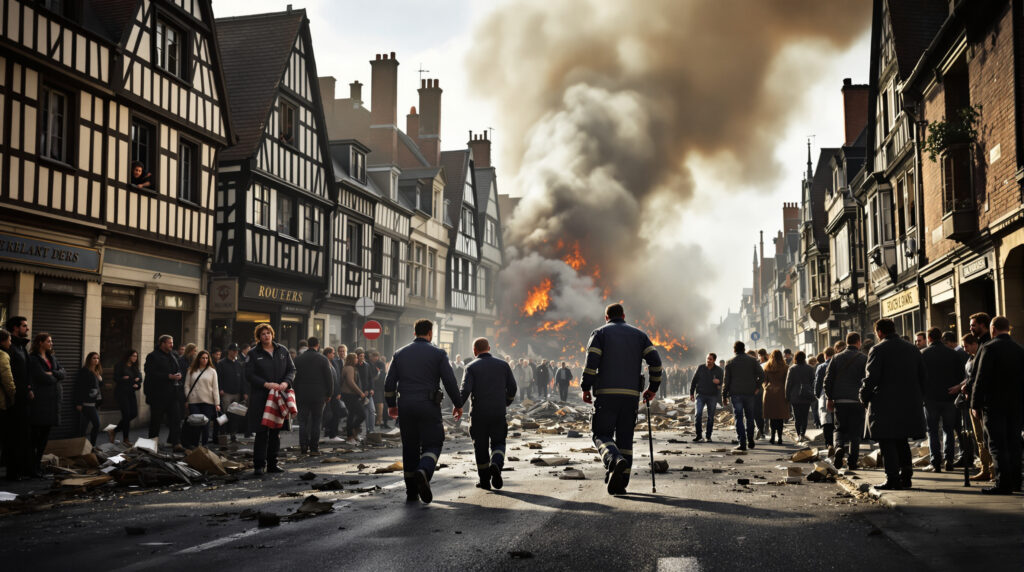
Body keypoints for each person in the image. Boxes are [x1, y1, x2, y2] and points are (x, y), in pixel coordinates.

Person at [581, 303, 662, 495]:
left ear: (606, 317)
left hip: (606, 395)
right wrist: (652, 388)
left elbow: (591, 363)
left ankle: (613, 459)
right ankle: (620, 483)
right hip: (630, 397)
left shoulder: (599, 333)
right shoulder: (640, 335)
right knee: (625, 439)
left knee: (600, 433)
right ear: (624, 316)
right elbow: (656, 363)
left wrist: (585, 387)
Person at [384, 319, 463, 504]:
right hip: (428, 405)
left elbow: (389, 383)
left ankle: (411, 491)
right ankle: (424, 471)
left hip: (405, 406)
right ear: (430, 333)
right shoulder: (439, 354)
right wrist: (458, 404)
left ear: (414, 332)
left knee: (410, 447)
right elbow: (450, 381)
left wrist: (391, 404)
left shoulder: (399, 354)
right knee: (434, 443)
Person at [862, 319, 927, 490]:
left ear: (880, 332)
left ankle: (892, 478)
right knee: (902, 441)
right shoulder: (912, 349)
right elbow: (923, 376)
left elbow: (871, 378)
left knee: (887, 441)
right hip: (909, 403)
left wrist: (864, 396)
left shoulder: (878, 349)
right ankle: (906, 476)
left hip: (885, 403)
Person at [970, 316, 1024, 494]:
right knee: (1014, 443)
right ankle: (1016, 481)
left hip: (994, 405)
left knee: (997, 444)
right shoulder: (1019, 349)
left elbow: (981, 379)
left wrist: (975, 404)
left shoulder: (989, 348)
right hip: (1016, 405)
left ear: (992, 328)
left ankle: (1003, 483)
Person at [459, 337, 517, 490]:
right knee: (498, 442)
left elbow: (465, 390)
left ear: (474, 350)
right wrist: (507, 401)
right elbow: (513, 387)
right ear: (489, 348)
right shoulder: (503, 365)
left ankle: (484, 481)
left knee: (480, 447)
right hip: (498, 412)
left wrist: (458, 406)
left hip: (478, 414)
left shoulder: (470, 367)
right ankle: (496, 464)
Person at [246, 323, 295, 475]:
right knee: (261, 432)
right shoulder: (254, 353)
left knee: (276, 432)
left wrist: (286, 382)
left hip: (279, 396)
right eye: (263, 334)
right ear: (259, 337)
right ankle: (259, 465)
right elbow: (249, 374)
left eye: (268, 333)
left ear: (272, 334)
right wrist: (266, 384)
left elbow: (292, 369)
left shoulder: (282, 350)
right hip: (261, 396)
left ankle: (273, 464)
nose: (266, 336)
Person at [920, 327, 968, 472]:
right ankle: (949, 460)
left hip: (930, 398)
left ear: (929, 338)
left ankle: (936, 462)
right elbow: (962, 375)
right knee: (949, 429)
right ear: (941, 337)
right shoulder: (953, 354)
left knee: (933, 431)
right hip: (949, 397)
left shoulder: (923, 354)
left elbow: (919, 376)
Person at [824, 334, 867, 470]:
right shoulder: (863, 359)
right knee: (855, 432)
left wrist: (829, 397)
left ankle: (839, 447)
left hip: (840, 400)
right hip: (857, 400)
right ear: (858, 342)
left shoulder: (836, 358)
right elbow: (868, 379)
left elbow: (828, 380)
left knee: (839, 428)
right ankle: (852, 461)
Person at [27, 332, 65, 476]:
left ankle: (37, 466)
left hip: (53, 402)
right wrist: (54, 375)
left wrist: (53, 373)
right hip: (41, 402)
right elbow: (42, 377)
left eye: (51, 341)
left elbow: (64, 373)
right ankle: (32, 467)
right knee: (35, 438)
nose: (51, 343)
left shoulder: (52, 357)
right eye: (48, 341)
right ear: (40, 343)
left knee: (44, 438)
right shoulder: (33, 359)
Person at [959, 333, 993, 481]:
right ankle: (985, 468)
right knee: (978, 437)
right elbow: (970, 378)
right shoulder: (971, 358)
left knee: (984, 437)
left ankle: (991, 469)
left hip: (978, 402)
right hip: (971, 400)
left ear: (974, 344)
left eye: (966, 346)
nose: (964, 349)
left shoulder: (980, 356)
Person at [293, 336, 333, 455]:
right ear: (318, 345)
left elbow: (295, 378)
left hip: (302, 394)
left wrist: (295, 393)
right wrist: (329, 393)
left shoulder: (299, 359)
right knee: (316, 421)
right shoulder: (322, 359)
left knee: (303, 421)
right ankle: (314, 447)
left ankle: (303, 446)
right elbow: (329, 378)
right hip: (318, 395)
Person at [3, 317, 32, 480]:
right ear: (15, 328)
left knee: (23, 435)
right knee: (14, 436)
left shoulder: (21, 347)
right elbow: (10, 375)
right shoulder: (10, 348)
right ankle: (12, 471)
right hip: (15, 399)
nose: (27, 329)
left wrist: (29, 388)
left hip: (24, 397)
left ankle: (22, 468)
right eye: (24, 326)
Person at [723, 341, 764, 452]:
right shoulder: (752, 360)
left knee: (739, 417)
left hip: (736, 394)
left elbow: (726, 381)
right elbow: (762, 375)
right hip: (750, 393)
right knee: (750, 417)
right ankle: (750, 439)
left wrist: (724, 395)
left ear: (734, 350)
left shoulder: (730, 362)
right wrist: (757, 387)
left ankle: (742, 442)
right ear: (744, 349)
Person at [145, 335, 184, 450]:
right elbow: (150, 373)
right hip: (158, 394)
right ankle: (153, 444)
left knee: (176, 419)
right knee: (156, 421)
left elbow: (178, 369)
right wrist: (168, 376)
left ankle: (175, 442)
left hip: (173, 393)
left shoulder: (174, 355)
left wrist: (179, 375)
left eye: (172, 343)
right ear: (162, 343)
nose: (172, 345)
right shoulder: (153, 356)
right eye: (169, 343)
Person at [183, 350, 219, 446]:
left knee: (206, 425)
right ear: (199, 358)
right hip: (194, 400)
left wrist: (217, 403)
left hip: (208, 401)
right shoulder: (191, 370)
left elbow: (215, 387)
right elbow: (186, 385)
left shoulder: (212, 371)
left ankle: (204, 445)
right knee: (196, 424)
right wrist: (188, 396)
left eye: (206, 358)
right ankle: (194, 445)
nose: (205, 360)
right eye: (203, 358)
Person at [689, 352, 723, 442]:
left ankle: (708, 436)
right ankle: (699, 435)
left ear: (714, 360)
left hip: (712, 396)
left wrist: (718, 382)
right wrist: (691, 393)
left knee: (710, 417)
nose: (708, 361)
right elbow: (694, 380)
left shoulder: (719, 370)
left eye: (710, 359)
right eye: (707, 358)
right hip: (700, 395)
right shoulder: (701, 368)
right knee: (698, 414)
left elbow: (722, 382)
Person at [216, 344, 246, 442]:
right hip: (226, 393)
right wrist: (220, 389)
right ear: (229, 351)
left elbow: (242, 379)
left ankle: (233, 434)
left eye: (237, 350)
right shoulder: (222, 363)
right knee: (224, 414)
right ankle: (222, 433)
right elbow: (218, 378)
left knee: (235, 415)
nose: (235, 352)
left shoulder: (239, 364)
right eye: (233, 350)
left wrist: (244, 392)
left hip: (236, 393)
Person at [73, 352, 103, 445]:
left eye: (97, 358)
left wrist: (100, 380)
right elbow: (79, 388)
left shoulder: (97, 371)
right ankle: (92, 445)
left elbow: (98, 387)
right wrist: (78, 403)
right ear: (89, 359)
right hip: (87, 403)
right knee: (96, 424)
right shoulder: (84, 371)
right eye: (94, 358)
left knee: (84, 426)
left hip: (95, 402)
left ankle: (81, 445)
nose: (96, 360)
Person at [785, 351, 816, 442]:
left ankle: (799, 435)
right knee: (804, 416)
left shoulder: (792, 369)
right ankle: (803, 433)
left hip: (795, 396)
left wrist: (787, 396)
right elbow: (813, 382)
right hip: (806, 395)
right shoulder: (810, 369)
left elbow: (788, 383)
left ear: (795, 358)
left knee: (797, 417)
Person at [112, 349, 142, 444]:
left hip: (130, 393)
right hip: (121, 393)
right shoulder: (120, 365)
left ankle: (114, 430)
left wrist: (137, 384)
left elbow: (139, 379)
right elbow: (116, 378)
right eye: (133, 356)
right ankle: (126, 439)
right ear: (128, 356)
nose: (135, 358)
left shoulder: (135, 367)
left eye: (136, 356)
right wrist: (123, 379)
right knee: (126, 415)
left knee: (133, 414)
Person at [0, 330, 18, 479]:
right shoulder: (3, 355)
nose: (10, 343)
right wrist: (13, 395)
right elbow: (7, 378)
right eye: (9, 340)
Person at [762, 349, 790, 444]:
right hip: (781, 392)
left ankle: (773, 436)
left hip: (769, 393)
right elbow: (787, 381)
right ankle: (780, 437)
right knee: (780, 416)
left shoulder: (767, 366)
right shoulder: (785, 367)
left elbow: (764, 380)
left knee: (772, 416)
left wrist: (766, 387)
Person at [321, 346, 346, 442]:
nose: (334, 354)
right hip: (329, 394)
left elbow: (337, 379)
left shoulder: (334, 362)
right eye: (333, 353)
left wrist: (338, 392)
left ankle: (332, 433)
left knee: (335, 413)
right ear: (328, 354)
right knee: (330, 414)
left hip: (335, 393)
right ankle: (330, 434)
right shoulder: (324, 363)